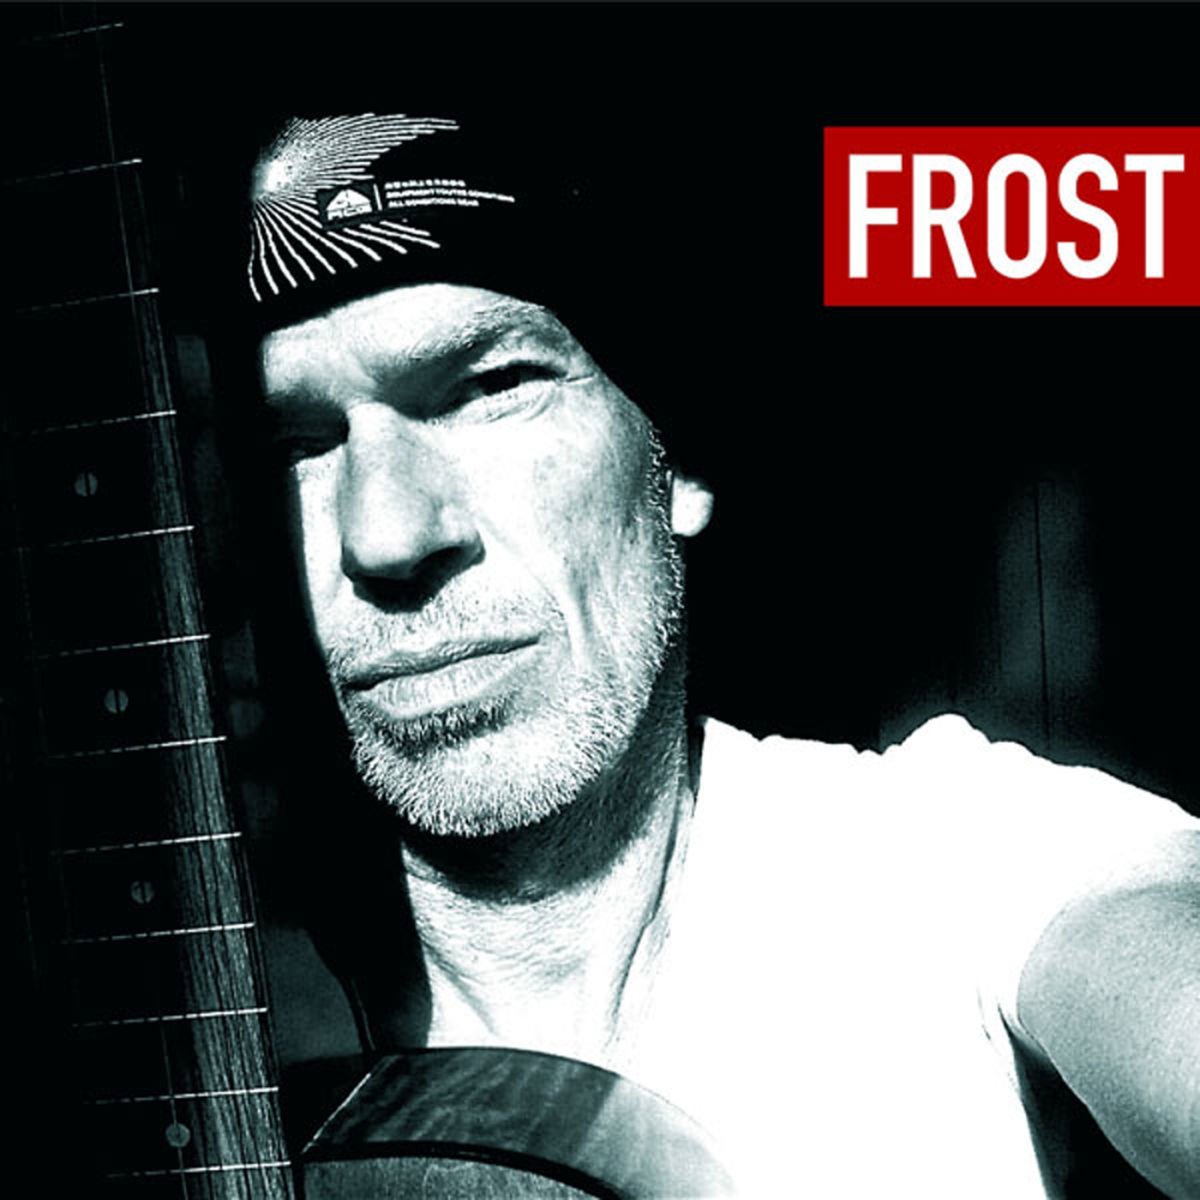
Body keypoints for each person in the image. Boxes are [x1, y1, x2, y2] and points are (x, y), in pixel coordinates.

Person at [244, 112, 1200, 1198]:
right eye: (296, 446)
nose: (386, 533)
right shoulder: (181, 1033)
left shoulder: (952, 863)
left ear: (678, 459)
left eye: (490, 386)